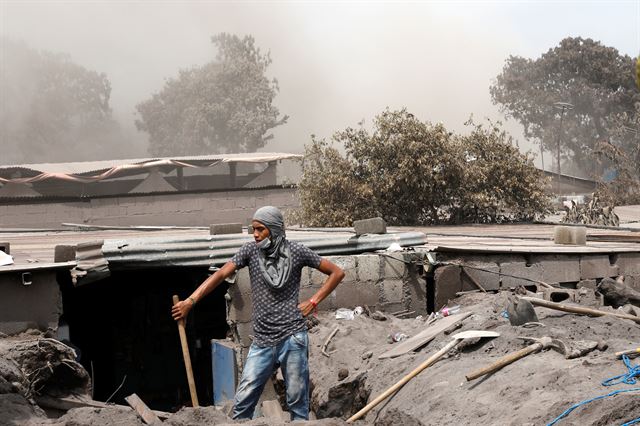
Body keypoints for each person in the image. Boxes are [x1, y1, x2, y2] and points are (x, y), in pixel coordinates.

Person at [172, 206, 345, 420]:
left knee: (297, 404)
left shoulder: (298, 252)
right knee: (243, 403)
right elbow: (221, 274)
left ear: (274, 229)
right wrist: (191, 301)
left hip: (293, 338)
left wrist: (313, 301)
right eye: (253, 229)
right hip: (262, 340)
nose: (255, 234)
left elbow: (337, 272)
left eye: (260, 229)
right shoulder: (250, 251)